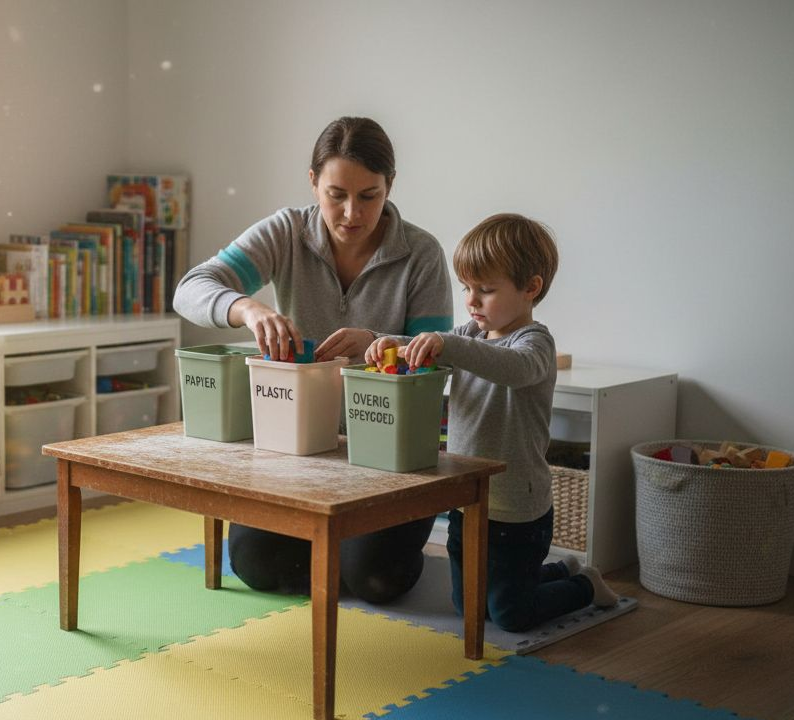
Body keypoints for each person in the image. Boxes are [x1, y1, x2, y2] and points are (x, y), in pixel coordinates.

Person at [173, 116, 452, 604]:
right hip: (301, 449)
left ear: (390, 186)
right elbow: (190, 288)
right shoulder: (287, 232)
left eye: (369, 195)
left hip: (389, 454)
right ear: (312, 182)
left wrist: (376, 342)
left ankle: (346, 552)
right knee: (254, 565)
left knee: (377, 581)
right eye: (335, 193)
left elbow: (438, 362)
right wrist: (248, 307)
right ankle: (335, 548)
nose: (351, 213)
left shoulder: (420, 253)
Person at [365, 213, 618, 632]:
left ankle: (585, 586)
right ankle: (557, 572)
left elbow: (512, 368)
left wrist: (449, 344)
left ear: (530, 288)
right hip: (469, 501)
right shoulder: (471, 334)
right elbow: (446, 346)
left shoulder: (534, 343)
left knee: (511, 614)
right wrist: (398, 343)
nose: (471, 300)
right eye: (467, 288)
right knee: (470, 606)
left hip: (518, 509)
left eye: (485, 290)